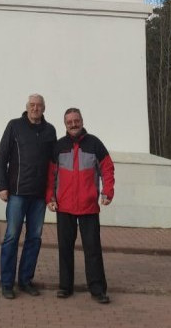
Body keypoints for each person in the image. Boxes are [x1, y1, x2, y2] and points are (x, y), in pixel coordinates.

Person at [46, 107, 114, 304]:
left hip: (88, 206)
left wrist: (107, 191)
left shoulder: (95, 143)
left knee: (92, 249)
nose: (73, 124)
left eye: (76, 120)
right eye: (69, 122)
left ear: (82, 120)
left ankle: (98, 289)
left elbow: (107, 169)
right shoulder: (58, 146)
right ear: (65, 124)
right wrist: (50, 197)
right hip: (64, 206)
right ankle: (65, 287)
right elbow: (50, 176)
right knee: (65, 249)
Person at [0, 93, 57, 299]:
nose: (35, 108)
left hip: (39, 197)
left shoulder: (50, 131)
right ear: (27, 106)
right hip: (17, 194)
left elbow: (54, 164)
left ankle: (25, 280)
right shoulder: (14, 126)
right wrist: (2, 186)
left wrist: (52, 193)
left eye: (39, 105)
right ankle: (7, 283)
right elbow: (2, 157)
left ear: (44, 108)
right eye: (32, 105)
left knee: (34, 239)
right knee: (11, 237)